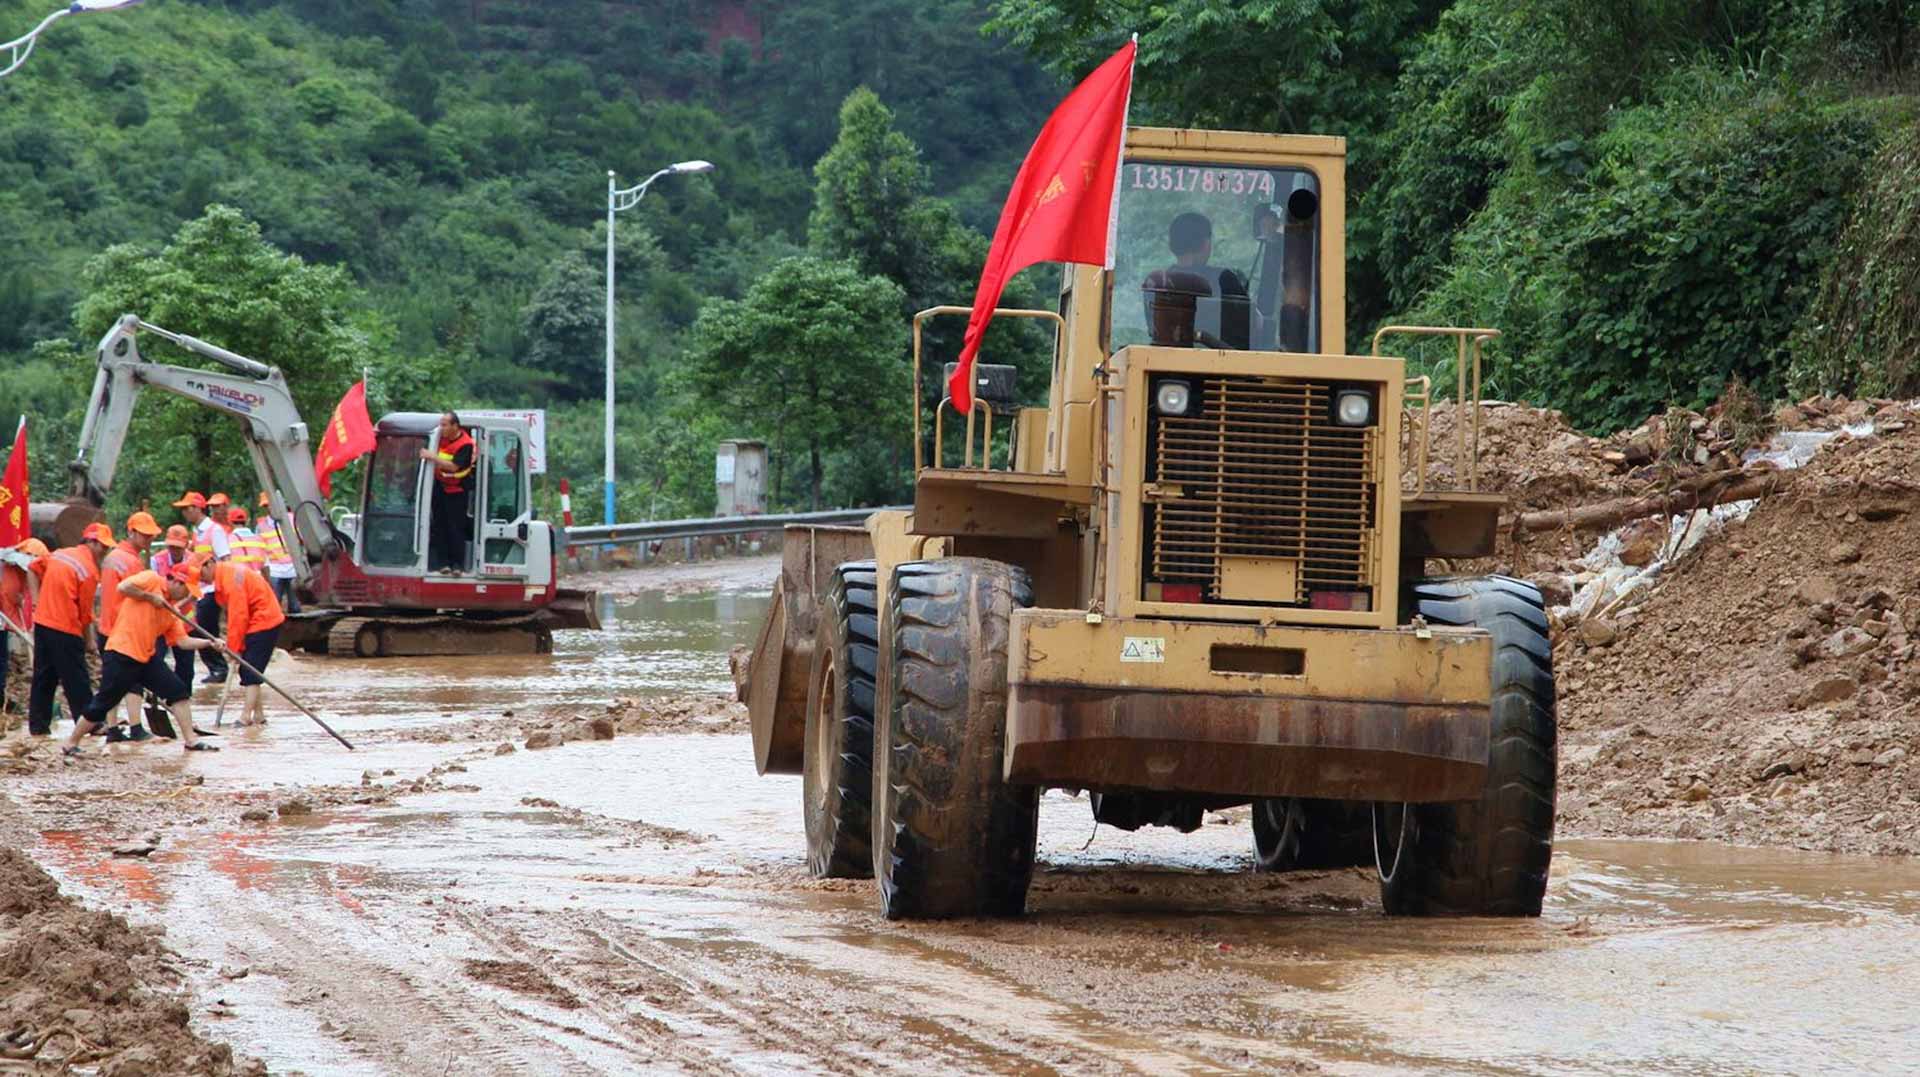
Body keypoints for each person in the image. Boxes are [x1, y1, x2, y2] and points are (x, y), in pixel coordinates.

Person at [62, 562, 218, 756]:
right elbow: (123, 587)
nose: (187, 595)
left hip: (146, 657)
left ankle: (191, 740)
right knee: (103, 703)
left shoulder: (171, 610)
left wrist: (210, 642)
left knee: (178, 691)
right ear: (177, 582)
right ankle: (71, 743)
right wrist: (149, 597)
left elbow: (182, 641)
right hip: (122, 653)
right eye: (186, 590)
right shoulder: (151, 579)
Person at [28, 523, 112, 737]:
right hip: (65, 627)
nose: (105, 551)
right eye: (103, 546)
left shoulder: (59, 554)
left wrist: (36, 603)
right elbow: (85, 613)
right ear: (91, 542)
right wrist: (89, 641)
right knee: (76, 677)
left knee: (44, 676)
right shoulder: (89, 571)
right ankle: (90, 723)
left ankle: (38, 726)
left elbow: (32, 568)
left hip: (43, 623)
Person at [96, 512, 164, 741]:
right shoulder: (131, 562)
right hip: (123, 630)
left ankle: (113, 729)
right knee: (133, 679)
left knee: (111, 682)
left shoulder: (114, 556)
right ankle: (135, 728)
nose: (149, 539)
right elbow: (137, 597)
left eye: (151, 536)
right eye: (144, 535)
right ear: (131, 532)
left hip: (107, 628)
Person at [211, 557, 285, 727]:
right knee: (250, 670)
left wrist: (233, 648)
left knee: (251, 671)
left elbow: (238, 617)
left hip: (264, 621)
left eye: (201, 575)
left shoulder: (230, 579)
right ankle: (258, 715)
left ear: (209, 565)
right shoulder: (225, 574)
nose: (202, 579)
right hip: (258, 620)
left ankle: (245, 716)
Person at [173, 491, 230, 684]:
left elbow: (225, 559)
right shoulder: (197, 532)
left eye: (186, 509)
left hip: (213, 588)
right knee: (201, 627)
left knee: (205, 628)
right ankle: (216, 667)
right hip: (200, 588)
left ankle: (219, 668)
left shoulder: (214, 530)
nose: (184, 513)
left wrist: (222, 586)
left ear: (197, 509)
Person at [420, 411, 475, 575]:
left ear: (455, 426)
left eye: (444, 425)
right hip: (440, 487)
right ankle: (443, 563)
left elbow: (453, 467)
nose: (441, 428)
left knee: (455, 527)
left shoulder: (466, 444)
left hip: (457, 490)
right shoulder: (438, 438)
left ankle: (457, 565)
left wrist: (432, 457)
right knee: (439, 525)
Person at [1, 539, 47, 729]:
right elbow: (9, 593)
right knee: (1, 662)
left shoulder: (15, 569)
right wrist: (17, 599)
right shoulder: (10, 568)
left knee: (2, 662)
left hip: (2, 621)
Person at [150, 526, 197, 687]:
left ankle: (183, 695)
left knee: (186, 667)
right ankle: (156, 693)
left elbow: (194, 591)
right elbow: (154, 587)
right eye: (172, 546)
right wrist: (167, 607)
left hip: (184, 619)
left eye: (178, 547)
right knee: (156, 660)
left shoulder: (194, 561)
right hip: (161, 621)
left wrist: (177, 606)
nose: (175, 550)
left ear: (186, 545)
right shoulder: (156, 560)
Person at [254, 492, 300, 612]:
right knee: (274, 606)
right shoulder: (261, 526)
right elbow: (260, 550)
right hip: (274, 570)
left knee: (295, 606)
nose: (269, 507)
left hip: (293, 568)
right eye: (267, 505)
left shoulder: (293, 519)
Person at [227, 507, 266, 575]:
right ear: (247, 522)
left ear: (230, 522)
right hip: (257, 577)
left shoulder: (227, 539)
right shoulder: (259, 539)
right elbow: (265, 565)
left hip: (238, 578)